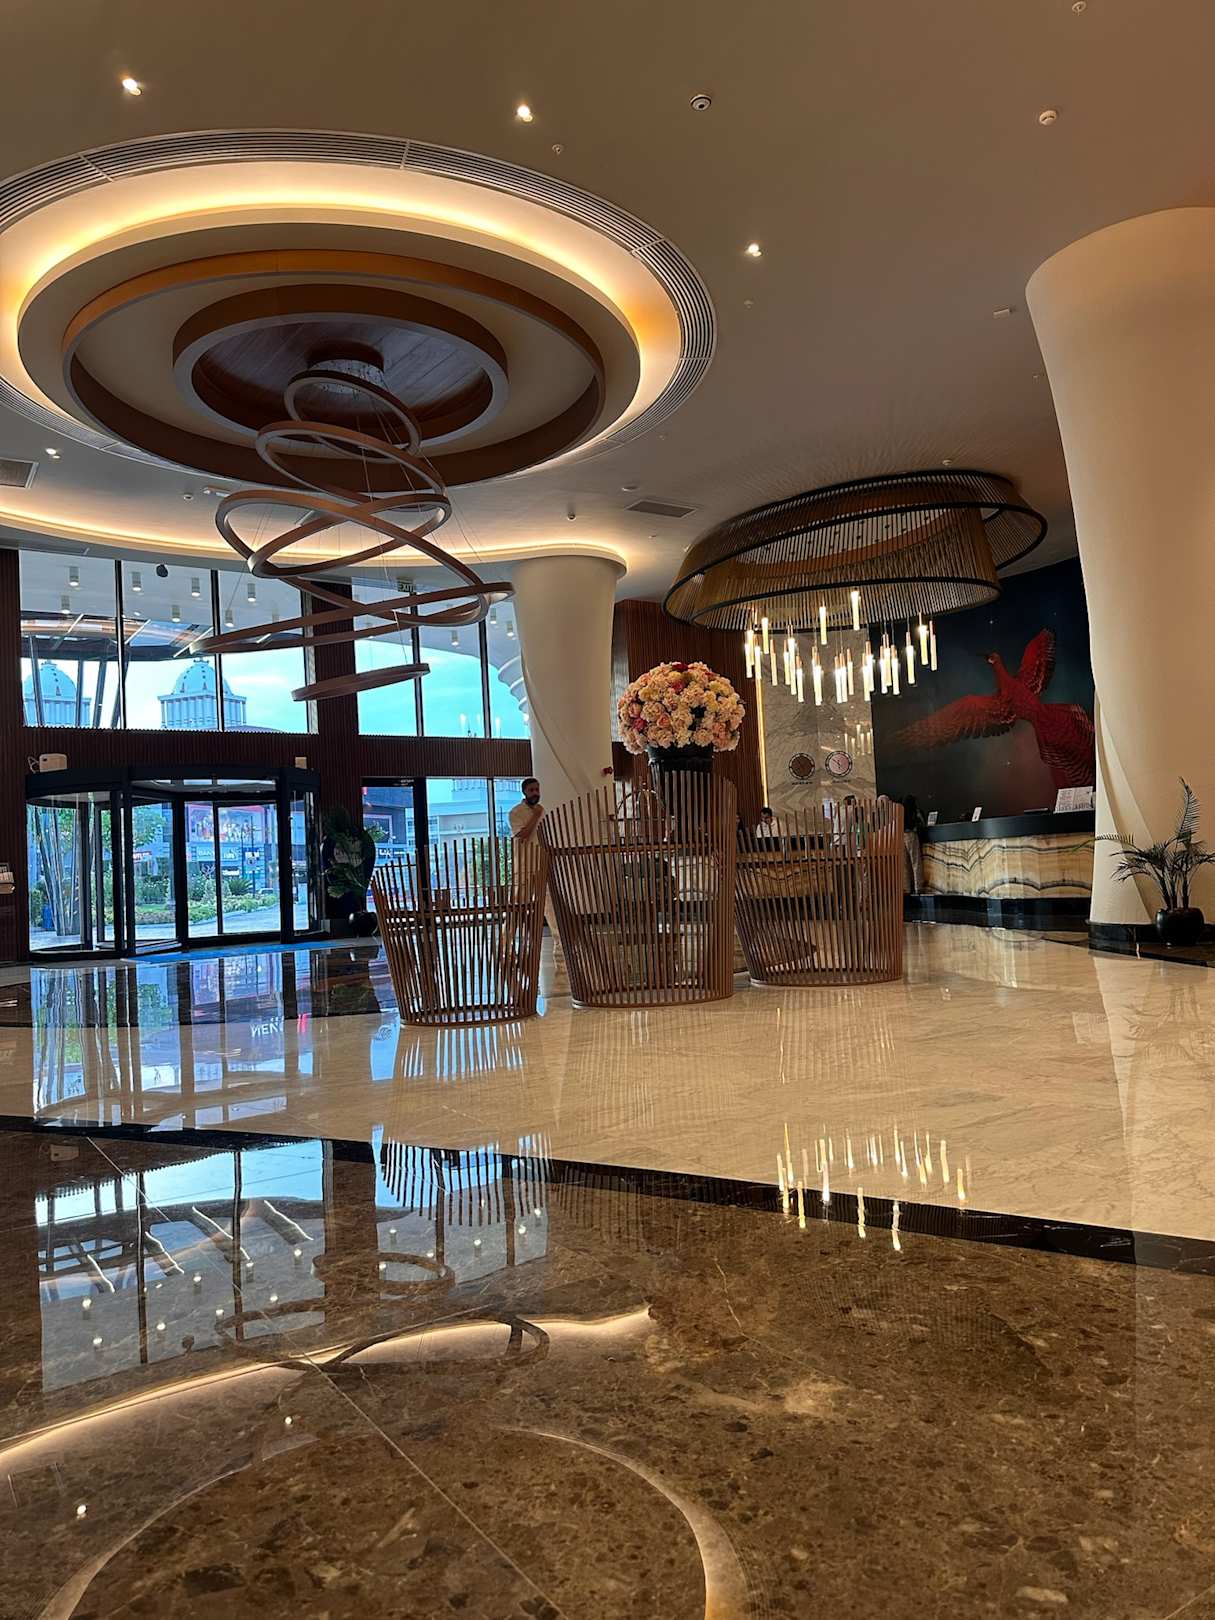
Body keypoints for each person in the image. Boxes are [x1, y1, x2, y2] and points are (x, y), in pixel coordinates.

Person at [509, 777, 545, 842]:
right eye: (531, 790)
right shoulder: (515, 812)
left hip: (540, 848)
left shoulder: (541, 809)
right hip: (525, 849)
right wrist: (536, 816)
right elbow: (522, 835)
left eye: (537, 790)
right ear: (524, 792)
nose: (535, 793)